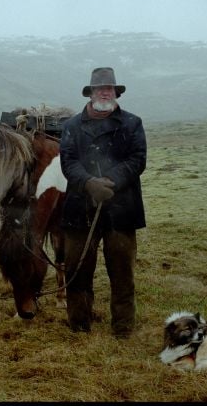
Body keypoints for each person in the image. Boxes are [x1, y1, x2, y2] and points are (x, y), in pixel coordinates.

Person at [59, 67, 147, 337]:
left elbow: (137, 160)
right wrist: (89, 183)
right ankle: (79, 324)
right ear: (91, 93)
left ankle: (123, 327)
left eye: (109, 88)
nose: (105, 92)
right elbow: (68, 162)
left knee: (122, 272)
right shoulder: (72, 126)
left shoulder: (132, 123)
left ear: (116, 92)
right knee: (77, 270)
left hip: (121, 209)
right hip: (80, 208)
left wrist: (110, 181)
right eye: (100, 88)